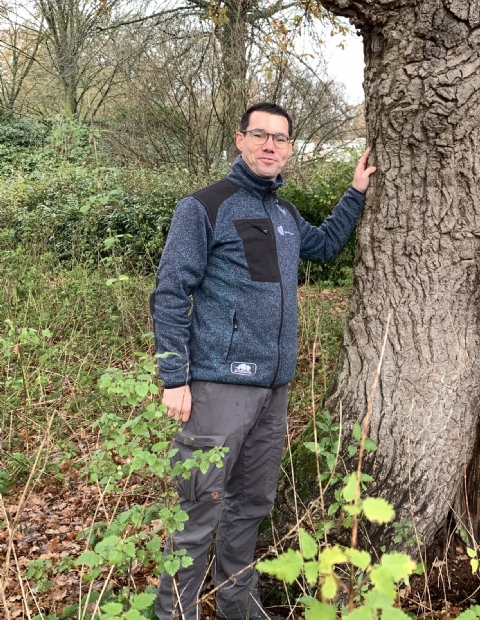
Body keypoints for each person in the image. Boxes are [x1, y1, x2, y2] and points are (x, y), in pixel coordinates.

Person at [150, 102, 375, 620]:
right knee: (199, 510)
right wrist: (173, 377)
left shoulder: (285, 214)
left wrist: (355, 193)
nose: (270, 145)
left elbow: (322, 247)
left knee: (251, 506)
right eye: (260, 135)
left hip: (274, 391)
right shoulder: (204, 207)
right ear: (240, 140)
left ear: (290, 148)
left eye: (280, 138)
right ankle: (173, 614)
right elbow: (169, 293)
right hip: (216, 388)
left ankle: (236, 606)